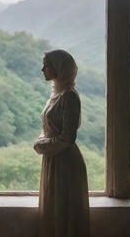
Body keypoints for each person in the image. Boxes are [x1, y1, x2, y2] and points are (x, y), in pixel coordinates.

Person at [33, 49, 90, 237]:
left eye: (46, 65)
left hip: (66, 162)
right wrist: (43, 140)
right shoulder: (56, 94)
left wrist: (42, 145)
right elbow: (48, 126)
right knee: (53, 210)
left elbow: (67, 138)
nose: (43, 69)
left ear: (59, 68)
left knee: (64, 214)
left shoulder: (69, 97)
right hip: (53, 158)